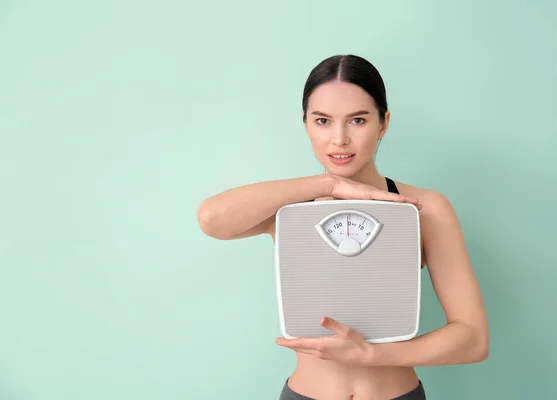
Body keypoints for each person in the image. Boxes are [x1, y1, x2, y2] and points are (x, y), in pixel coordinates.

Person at [197, 54, 489, 400]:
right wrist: (327, 186)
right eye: (322, 121)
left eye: (358, 120)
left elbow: (473, 338)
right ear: (305, 124)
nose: (339, 139)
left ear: (383, 123)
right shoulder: (287, 209)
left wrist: (373, 355)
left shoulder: (425, 209)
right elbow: (211, 219)